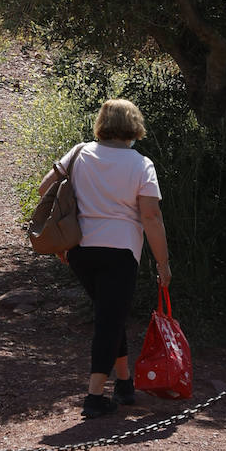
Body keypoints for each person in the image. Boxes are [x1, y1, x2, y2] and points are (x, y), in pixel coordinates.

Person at [36, 98, 171, 419]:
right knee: (109, 320)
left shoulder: (80, 152)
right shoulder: (141, 164)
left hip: (80, 251)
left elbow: (45, 189)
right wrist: (163, 264)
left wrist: (59, 237)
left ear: (102, 123)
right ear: (133, 126)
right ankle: (95, 396)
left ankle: (124, 384)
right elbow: (151, 217)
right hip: (120, 252)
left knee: (110, 313)